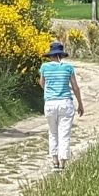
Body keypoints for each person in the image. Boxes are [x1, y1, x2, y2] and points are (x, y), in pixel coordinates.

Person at [38, 41, 84, 171]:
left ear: (51, 55)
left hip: (50, 103)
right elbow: (75, 87)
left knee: (53, 132)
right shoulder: (68, 68)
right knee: (64, 133)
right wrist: (80, 104)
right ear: (61, 55)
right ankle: (63, 163)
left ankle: (55, 161)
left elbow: (42, 83)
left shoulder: (44, 67)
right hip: (65, 102)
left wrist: (50, 89)